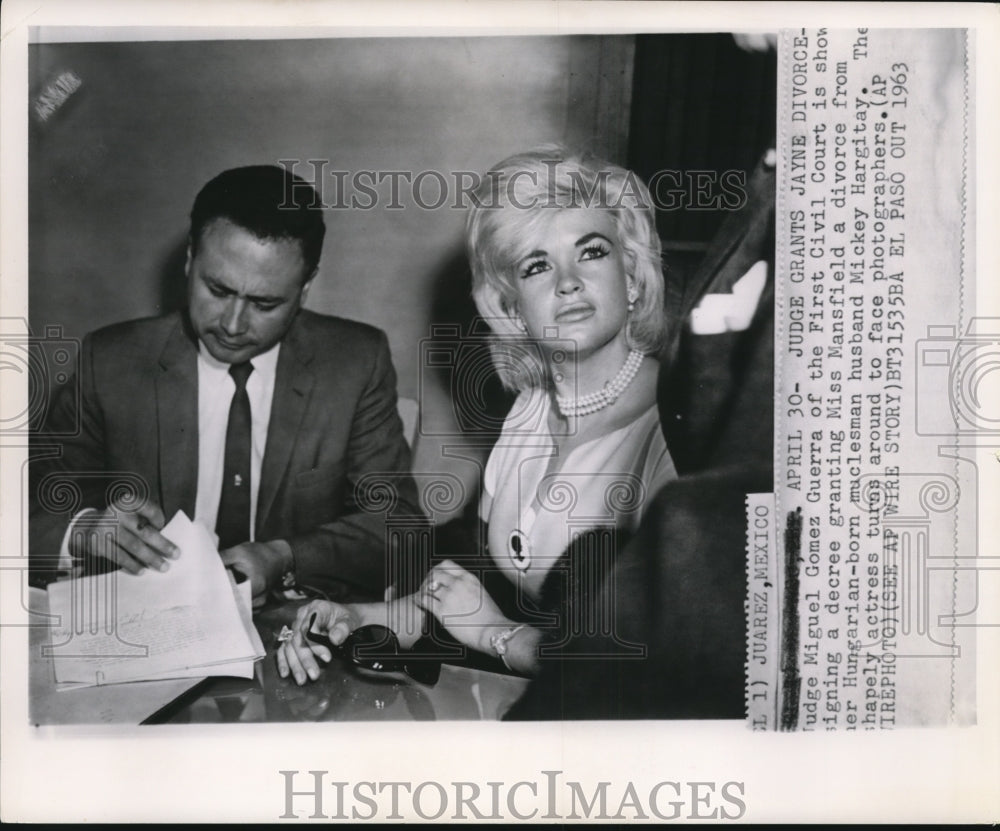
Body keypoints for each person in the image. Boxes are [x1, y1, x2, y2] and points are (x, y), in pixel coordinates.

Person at [277, 146, 676, 684]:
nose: (567, 281)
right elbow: (465, 599)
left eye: (591, 251)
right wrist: (359, 616)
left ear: (631, 278)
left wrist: (494, 634)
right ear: (513, 308)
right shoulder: (528, 413)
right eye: (537, 266)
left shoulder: (677, 429)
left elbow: (648, 660)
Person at [30, 165, 420, 606]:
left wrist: (285, 556)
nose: (233, 325)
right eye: (217, 290)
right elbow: (27, 504)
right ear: (189, 259)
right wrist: (83, 529)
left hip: (289, 625)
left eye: (264, 303)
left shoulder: (355, 362)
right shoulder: (110, 360)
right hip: (144, 620)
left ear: (306, 287)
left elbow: (397, 522)